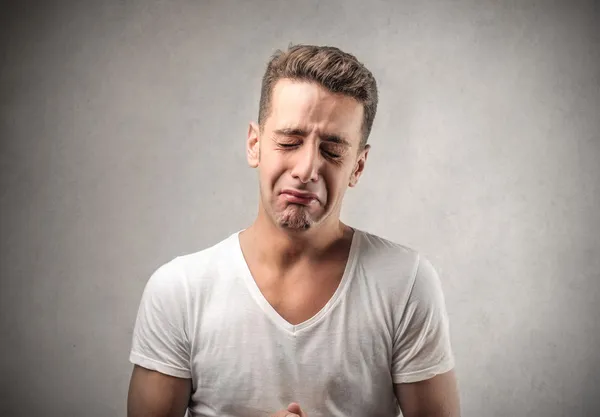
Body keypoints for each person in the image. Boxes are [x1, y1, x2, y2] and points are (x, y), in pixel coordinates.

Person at [127, 44, 461, 417]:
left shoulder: (406, 283)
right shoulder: (179, 291)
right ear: (255, 145)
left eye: (333, 150)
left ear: (358, 166)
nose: (306, 169)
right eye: (289, 141)